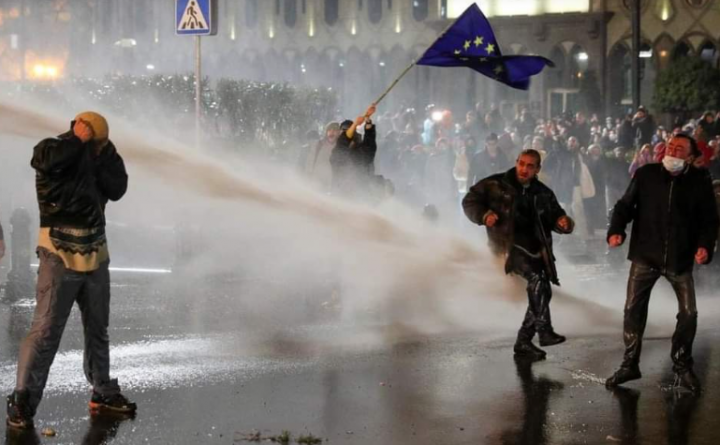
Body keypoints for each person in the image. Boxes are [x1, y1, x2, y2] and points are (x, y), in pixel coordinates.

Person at [6, 112, 135, 430]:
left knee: (98, 328)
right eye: (97, 142)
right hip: (58, 254)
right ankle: (21, 401)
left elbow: (117, 188)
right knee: (45, 332)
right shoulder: (53, 149)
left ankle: (102, 391)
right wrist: (78, 141)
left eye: (103, 143)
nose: (100, 148)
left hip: (95, 252)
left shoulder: (100, 155)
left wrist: (103, 154)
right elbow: (47, 163)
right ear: (79, 131)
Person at [605, 133, 719, 393]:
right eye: (670, 146)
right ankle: (630, 364)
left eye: (679, 149)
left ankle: (681, 365)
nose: (672, 151)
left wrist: (704, 247)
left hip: (680, 259)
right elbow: (624, 206)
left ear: (690, 157)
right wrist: (616, 230)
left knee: (689, 313)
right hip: (645, 255)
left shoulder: (699, 181)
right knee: (633, 309)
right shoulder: (646, 174)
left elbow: (709, 220)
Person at [463, 149, 574, 360]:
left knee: (542, 291)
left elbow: (556, 215)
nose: (524, 169)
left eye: (530, 166)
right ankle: (543, 330)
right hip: (507, 247)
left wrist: (563, 223)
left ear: (537, 169)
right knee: (538, 280)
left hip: (536, 249)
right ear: (516, 163)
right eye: (522, 164)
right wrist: (484, 214)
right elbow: (469, 201)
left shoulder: (543, 193)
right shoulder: (495, 184)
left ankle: (524, 341)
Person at [329, 105, 378, 199]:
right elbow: (343, 142)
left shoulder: (360, 151)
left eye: (351, 132)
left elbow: (369, 147)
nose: (350, 137)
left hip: (360, 195)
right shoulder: (337, 152)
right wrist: (355, 124)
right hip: (340, 195)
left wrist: (368, 121)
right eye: (345, 132)